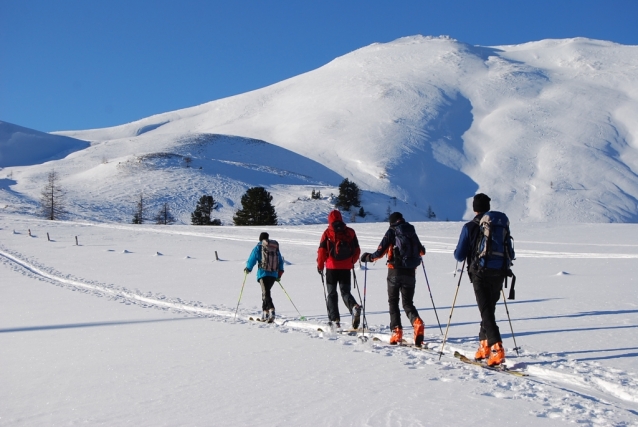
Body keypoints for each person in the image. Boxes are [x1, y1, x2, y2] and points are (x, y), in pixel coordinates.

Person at [453, 193, 515, 366]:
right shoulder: (498, 224)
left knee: (486, 311)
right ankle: (484, 345)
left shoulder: (469, 227)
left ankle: (496, 348)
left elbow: (459, 255)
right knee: (489, 309)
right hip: (499, 271)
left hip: (480, 273)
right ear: (488, 208)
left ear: (474, 208)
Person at [360, 212, 426, 346]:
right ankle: (417, 322)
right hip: (410, 272)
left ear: (392, 222)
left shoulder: (391, 231)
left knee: (393, 302)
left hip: (394, 271)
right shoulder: (411, 230)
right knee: (407, 303)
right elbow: (421, 251)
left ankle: (396, 332)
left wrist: (368, 257)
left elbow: (380, 252)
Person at [317, 210, 362, 330]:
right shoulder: (350, 232)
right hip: (346, 268)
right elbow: (357, 250)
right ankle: (354, 306)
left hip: (331, 268)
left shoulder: (327, 233)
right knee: (345, 292)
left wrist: (320, 265)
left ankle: (334, 320)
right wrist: (351, 261)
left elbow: (322, 251)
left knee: (332, 294)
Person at [245, 232, 284, 323]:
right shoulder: (274, 248)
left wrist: (248, 268)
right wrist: (279, 273)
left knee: (266, 293)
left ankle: (271, 309)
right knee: (265, 293)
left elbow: (252, 259)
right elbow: (280, 261)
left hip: (263, 274)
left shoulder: (259, 247)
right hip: (273, 274)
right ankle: (265, 313)